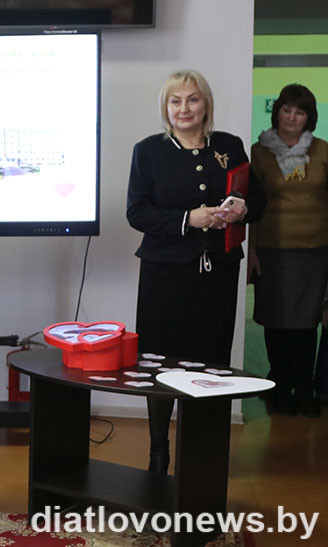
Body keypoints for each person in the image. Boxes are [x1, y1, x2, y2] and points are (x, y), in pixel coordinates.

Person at [127, 69, 265, 474]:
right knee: (158, 365)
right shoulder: (148, 151)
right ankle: (158, 451)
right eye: (175, 101)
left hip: (217, 276)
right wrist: (189, 218)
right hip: (164, 278)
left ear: (205, 104)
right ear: (165, 107)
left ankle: (205, 451)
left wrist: (242, 208)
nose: (184, 108)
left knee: (212, 365)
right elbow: (137, 212)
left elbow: (257, 199)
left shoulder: (229, 145)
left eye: (192, 99)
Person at [248, 84, 328, 417]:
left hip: (316, 250)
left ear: (309, 117)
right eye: (286, 109)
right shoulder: (258, 152)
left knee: (307, 324)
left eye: (300, 112)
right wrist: (251, 250)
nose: (292, 117)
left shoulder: (323, 151)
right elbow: (250, 208)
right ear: (276, 112)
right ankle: (280, 386)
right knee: (276, 321)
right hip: (272, 249)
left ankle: (304, 387)